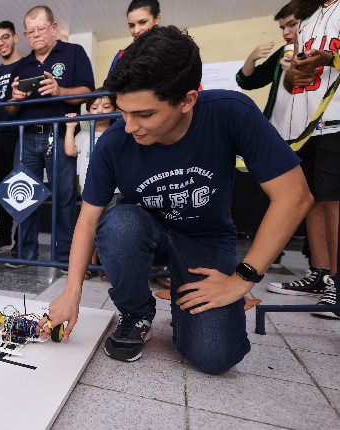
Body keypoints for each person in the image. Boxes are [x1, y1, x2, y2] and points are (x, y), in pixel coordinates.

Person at [41, 26, 311, 374]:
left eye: (145, 114)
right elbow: (88, 220)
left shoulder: (231, 112)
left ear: (187, 100)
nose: (129, 126)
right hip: (144, 230)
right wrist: (71, 291)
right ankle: (137, 314)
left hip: (206, 239)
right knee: (119, 224)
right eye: (124, 111)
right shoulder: (114, 142)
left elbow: (295, 196)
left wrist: (243, 278)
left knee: (215, 356)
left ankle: (188, 319)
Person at [5, 5, 95, 268]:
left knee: (64, 197)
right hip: (27, 137)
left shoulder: (73, 52)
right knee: (21, 197)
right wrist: (15, 97)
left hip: (60, 136)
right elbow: (10, 110)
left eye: (40, 29)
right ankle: (24, 253)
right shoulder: (21, 64)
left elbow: (88, 93)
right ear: (24, 34)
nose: (36, 36)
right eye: (30, 32)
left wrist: (59, 91)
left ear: (54, 28)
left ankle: (66, 255)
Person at [268, 0, 340, 317]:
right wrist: (293, 75)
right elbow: (290, 79)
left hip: (336, 117)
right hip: (303, 125)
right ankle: (320, 273)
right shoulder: (306, 17)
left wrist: (331, 58)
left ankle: (338, 283)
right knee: (310, 199)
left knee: (334, 201)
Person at [63, 89, 119, 281]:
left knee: (111, 229)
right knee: (91, 229)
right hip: (90, 190)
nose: (100, 111)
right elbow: (70, 150)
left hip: (115, 191)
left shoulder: (119, 133)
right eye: (94, 107)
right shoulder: (85, 134)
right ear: (88, 112)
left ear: (116, 109)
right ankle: (92, 264)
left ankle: (109, 266)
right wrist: (71, 127)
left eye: (106, 106)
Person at [235, 4, 298, 136]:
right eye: (283, 27)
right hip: (278, 130)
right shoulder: (283, 52)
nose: (285, 32)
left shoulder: (324, 47)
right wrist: (251, 58)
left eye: (292, 24)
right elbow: (247, 82)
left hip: (312, 130)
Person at [0, 20, 22, 251]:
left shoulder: (26, 65)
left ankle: (21, 240)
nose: (1, 43)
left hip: (19, 133)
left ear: (15, 38)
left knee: (20, 187)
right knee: (0, 189)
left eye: (5, 37)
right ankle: (3, 235)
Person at [109, 0, 162, 74]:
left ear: (157, 18)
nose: (136, 30)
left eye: (143, 22)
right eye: (132, 25)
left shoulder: (173, 50)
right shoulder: (121, 56)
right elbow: (109, 85)